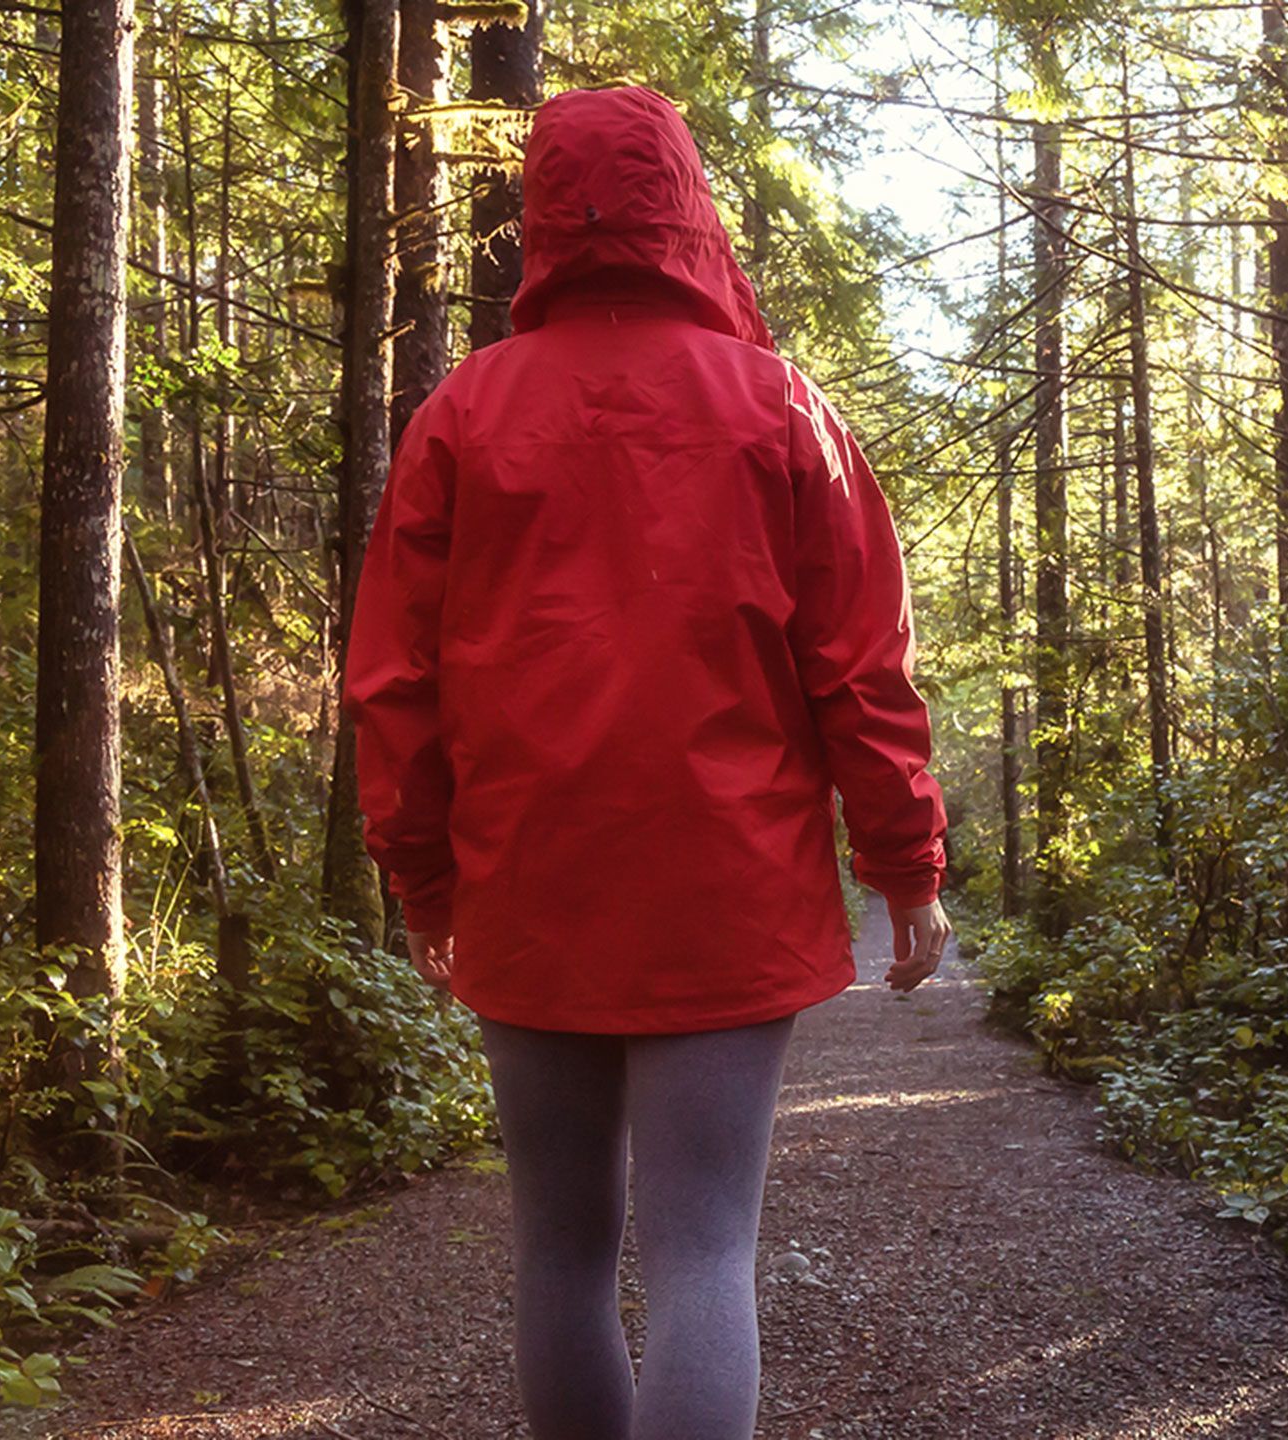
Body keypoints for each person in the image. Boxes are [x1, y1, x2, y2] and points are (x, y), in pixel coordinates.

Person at [342, 85, 952, 1440]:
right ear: (688, 205)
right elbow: (861, 667)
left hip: (529, 880)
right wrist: (904, 864)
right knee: (702, 1254)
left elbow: (393, 681)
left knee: (559, 1254)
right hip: (727, 887)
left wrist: (426, 881)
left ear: (541, 217)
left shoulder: (462, 414)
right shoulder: (779, 407)